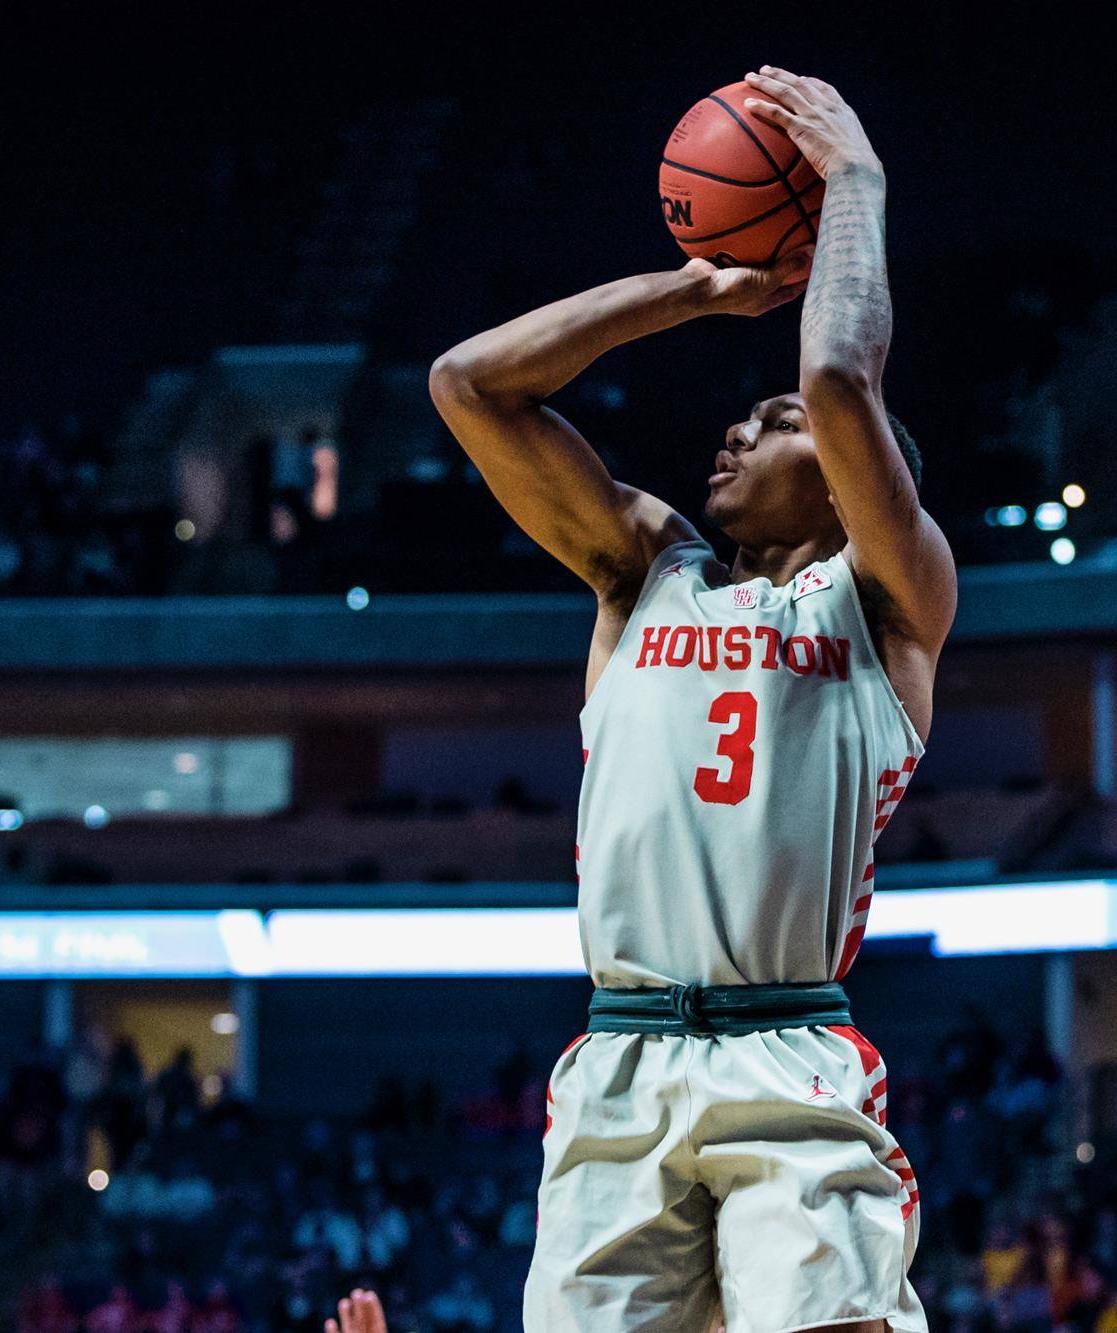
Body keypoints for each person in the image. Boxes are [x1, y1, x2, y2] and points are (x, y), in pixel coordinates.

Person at [430, 68, 954, 1333]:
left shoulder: (886, 601)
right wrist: (687, 292)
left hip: (789, 1051)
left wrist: (853, 187)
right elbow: (469, 383)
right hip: (618, 1057)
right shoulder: (640, 571)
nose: (735, 429)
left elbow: (836, 378)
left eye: (766, 423)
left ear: (842, 479)